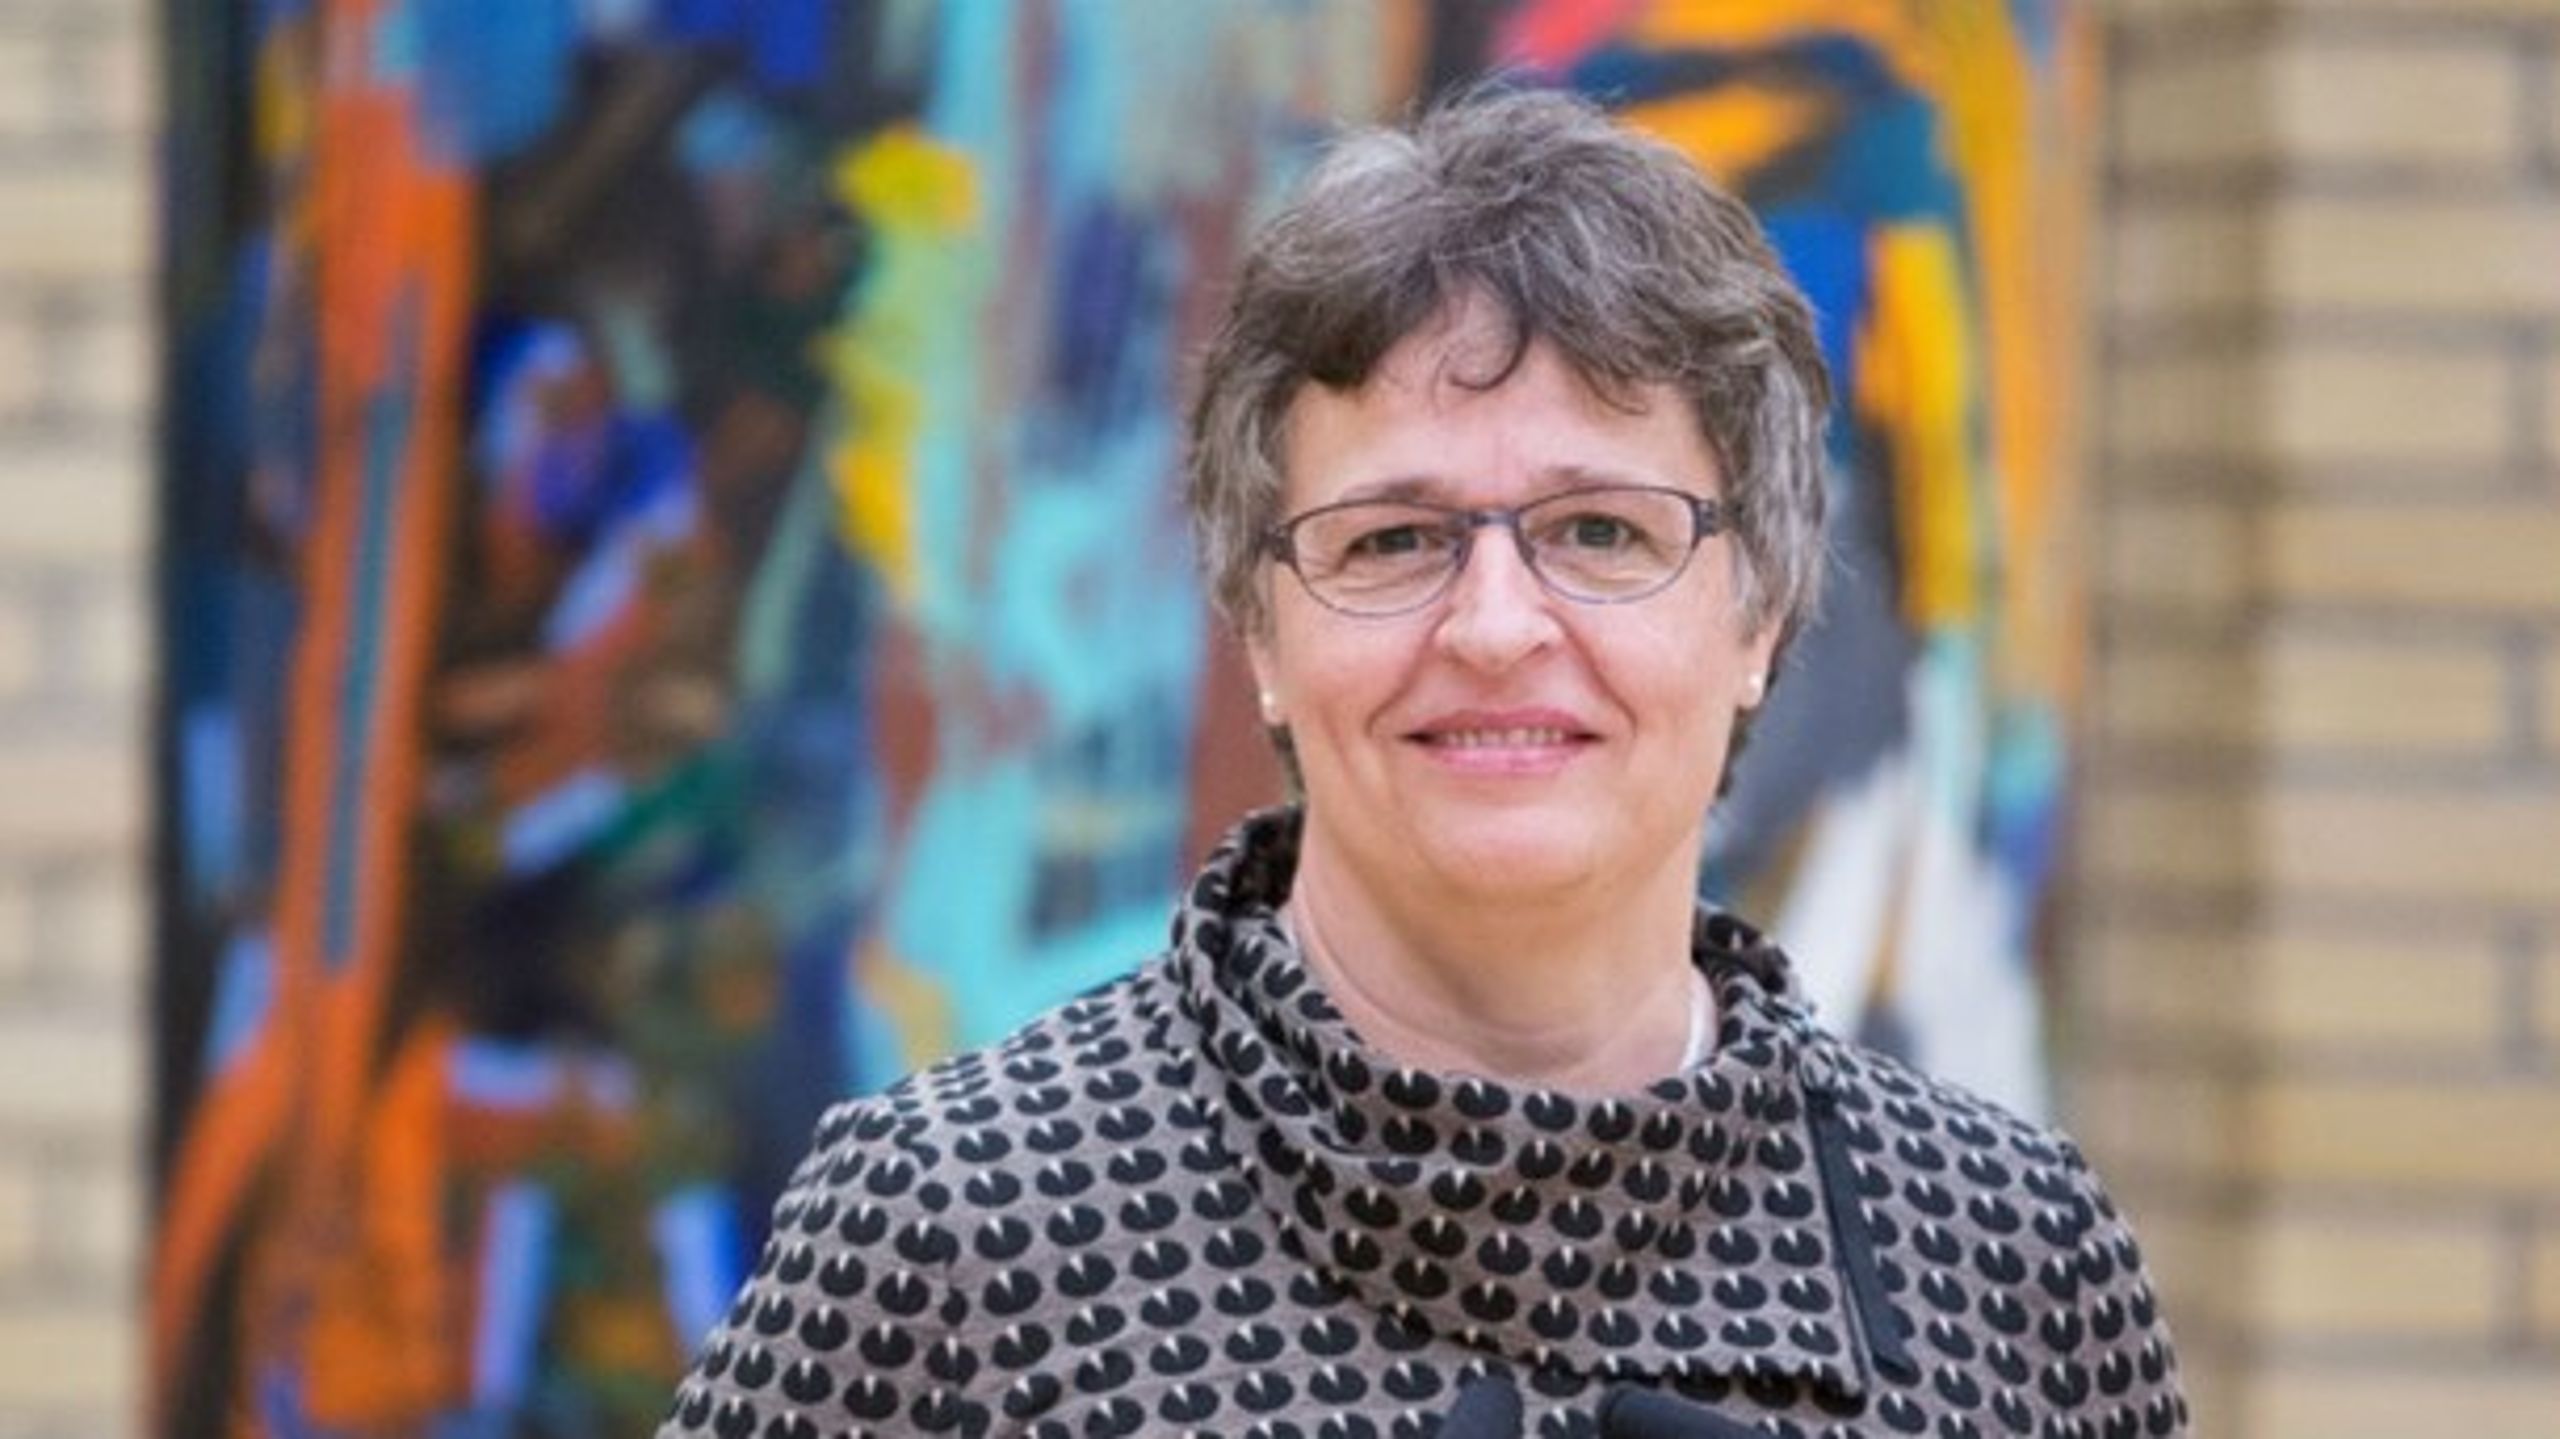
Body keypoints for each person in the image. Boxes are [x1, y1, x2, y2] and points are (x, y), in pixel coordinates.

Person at [657, 87, 2187, 1439]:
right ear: (1260, 626)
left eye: (1602, 531)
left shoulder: (2008, 1260)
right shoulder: (959, 1226)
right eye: (1394, 539)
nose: (1498, 626)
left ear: (1761, 614)